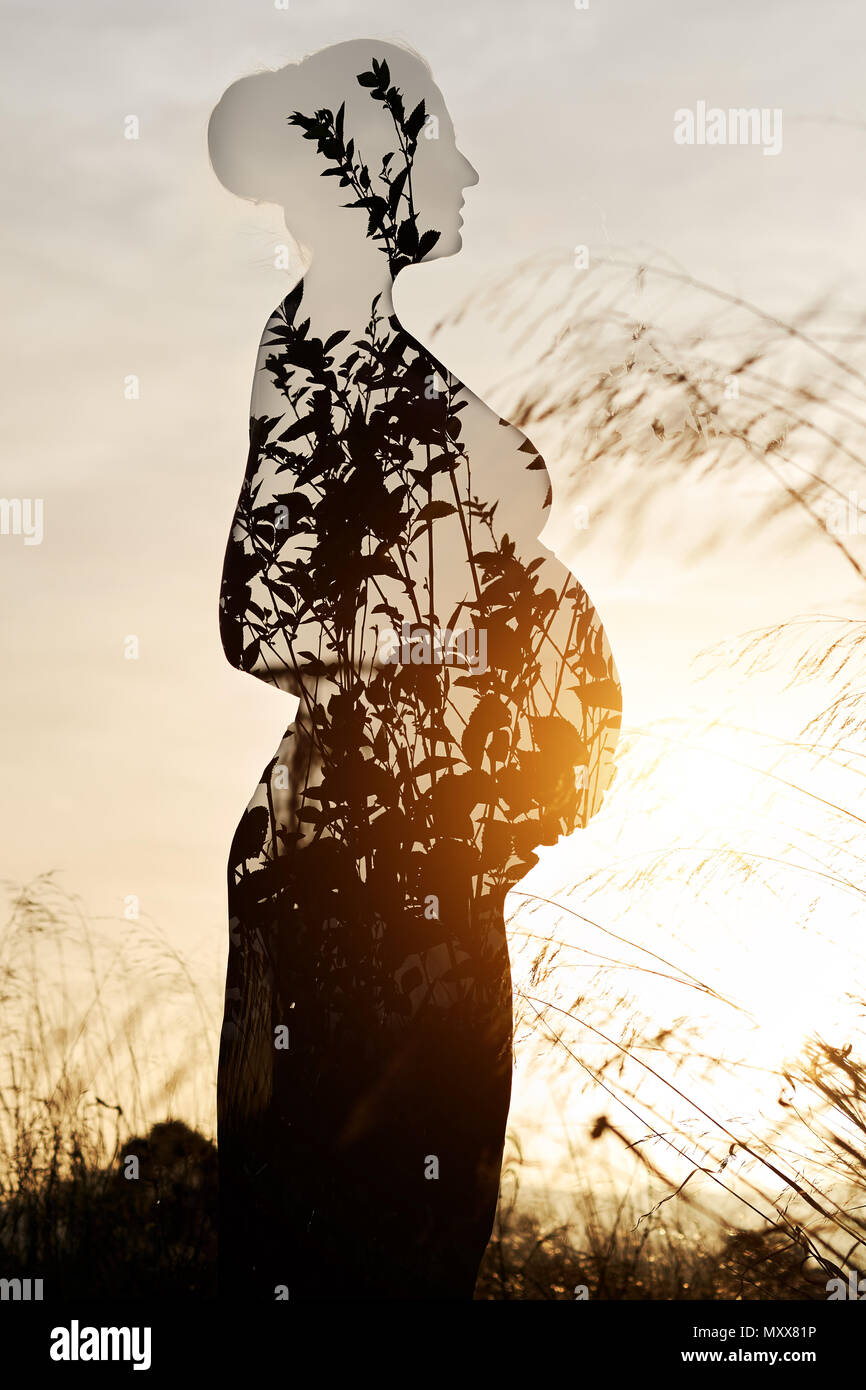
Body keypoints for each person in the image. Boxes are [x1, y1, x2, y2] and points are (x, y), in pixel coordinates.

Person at [209, 38, 620, 1300]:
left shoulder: (389, 362)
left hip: (436, 879)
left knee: (428, 1240)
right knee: (357, 1246)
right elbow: (258, 609)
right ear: (369, 170)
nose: (467, 173)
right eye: (438, 145)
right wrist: (443, 657)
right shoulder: (320, 359)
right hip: (349, 882)